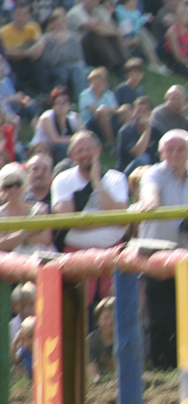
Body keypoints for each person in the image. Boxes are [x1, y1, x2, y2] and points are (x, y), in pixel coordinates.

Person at [138, 129, 188, 368]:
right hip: (158, 258)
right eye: (169, 149)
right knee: (161, 317)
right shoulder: (153, 174)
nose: (175, 153)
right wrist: (151, 202)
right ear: (161, 152)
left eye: (180, 149)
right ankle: (164, 367)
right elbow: (150, 193)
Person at [51, 132, 129, 314]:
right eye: (79, 151)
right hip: (75, 253)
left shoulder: (116, 178)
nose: (85, 154)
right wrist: (108, 220)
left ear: (98, 150)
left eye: (88, 149)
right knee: (77, 310)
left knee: (115, 308)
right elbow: (67, 219)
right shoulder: (63, 180)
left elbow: (122, 217)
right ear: (72, 155)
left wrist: (97, 183)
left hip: (113, 251)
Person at [65, 0, 127, 74]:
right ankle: (115, 65)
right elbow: (94, 29)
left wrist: (113, 32)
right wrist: (112, 31)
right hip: (79, 49)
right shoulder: (75, 12)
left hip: (95, 49)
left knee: (110, 36)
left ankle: (124, 64)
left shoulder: (99, 10)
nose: (90, 1)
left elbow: (112, 26)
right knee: (94, 35)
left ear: (98, 1)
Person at [0, 163, 52, 254]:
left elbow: (45, 240)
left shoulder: (40, 209)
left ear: (24, 184)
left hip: (38, 257)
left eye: (18, 184)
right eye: (9, 185)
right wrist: (29, 230)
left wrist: (13, 238)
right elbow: (1, 245)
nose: (14, 189)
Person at [0, 0, 48, 95]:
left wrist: (32, 49)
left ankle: (44, 92)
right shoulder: (4, 31)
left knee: (38, 61)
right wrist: (27, 53)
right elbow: (9, 54)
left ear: (29, 15)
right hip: (14, 64)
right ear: (13, 14)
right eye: (18, 15)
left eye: (24, 14)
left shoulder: (33, 27)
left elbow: (40, 43)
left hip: (30, 61)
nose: (21, 18)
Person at [41, 7, 89, 97]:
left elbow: (79, 57)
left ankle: (80, 98)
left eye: (62, 23)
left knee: (80, 68)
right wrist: (59, 45)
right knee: (65, 73)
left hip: (73, 66)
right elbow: (50, 63)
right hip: (56, 68)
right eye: (57, 23)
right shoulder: (46, 39)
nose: (60, 26)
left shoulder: (73, 37)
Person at [31, 86, 82, 162]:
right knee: (62, 147)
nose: (60, 106)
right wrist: (76, 139)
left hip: (57, 153)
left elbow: (83, 136)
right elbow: (56, 140)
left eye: (63, 103)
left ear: (69, 104)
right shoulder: (47, 117)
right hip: (40, 153)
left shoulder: (73, 117)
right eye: (57, 103)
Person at [116, 95, 163, 175]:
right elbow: (137, 153)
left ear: (150, 113)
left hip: (151, 170)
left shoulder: (156, 131)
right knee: (143, 158)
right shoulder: (126, 131)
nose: (141, 114)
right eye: (138, 110)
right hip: (128, 172)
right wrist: (147, 129)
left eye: (144, 111)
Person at [160, 1, 188, 80]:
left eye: (183, 14)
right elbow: (178, 56)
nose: (180, 17)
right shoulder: (172, 31)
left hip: (187, 56)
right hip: (176, 61)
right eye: (178, 14)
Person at [78, 67, 120, 146]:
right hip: (90, 126)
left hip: (108, 120)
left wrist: (109, 111)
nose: (97, 83)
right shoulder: (85, 95)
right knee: (101, 111)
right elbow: (95, 111)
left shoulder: (108, 95)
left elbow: (116, 109)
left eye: (100, 81)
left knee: (125, 110)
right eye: (94, 80)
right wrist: (108, 111)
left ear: (105, 84)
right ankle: (112, 142)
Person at [87, 296, 116, 383]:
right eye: (106, 317)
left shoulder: (127, 340)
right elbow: (92, 375)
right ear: (97, 321)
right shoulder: (91, 342)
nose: (110, 321)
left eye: (115, 317)